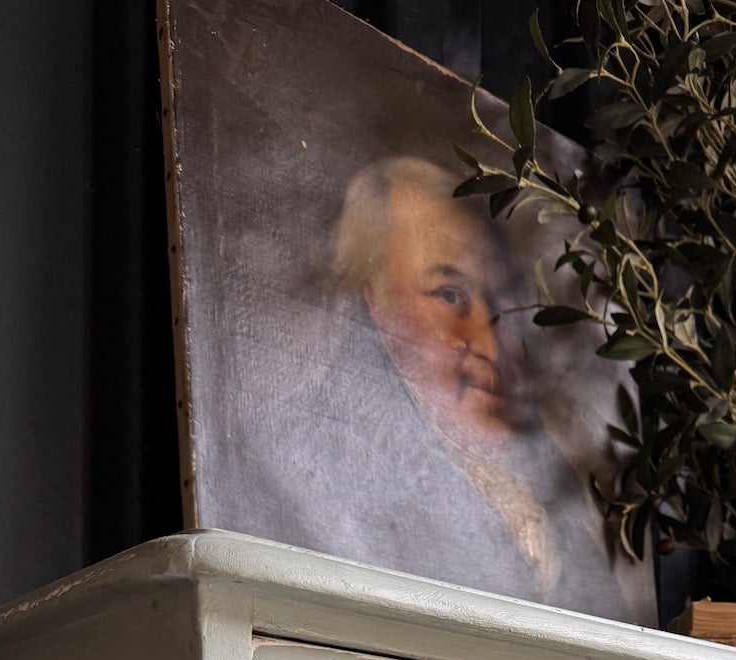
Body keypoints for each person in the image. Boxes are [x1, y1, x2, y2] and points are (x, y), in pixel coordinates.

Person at [229, 154, 652, 622]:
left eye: (501, 304)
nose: (489, 342)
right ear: (371, 305)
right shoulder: (293, 455)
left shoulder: (545, 474)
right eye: (449, 295)